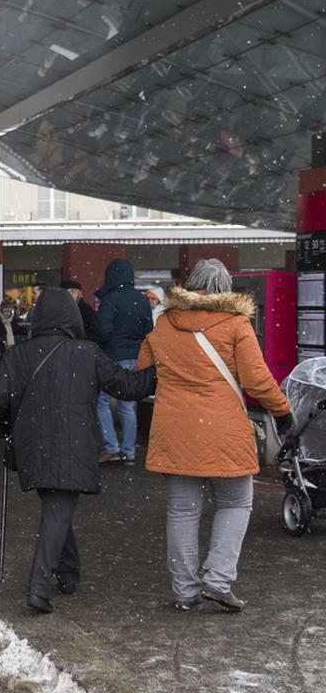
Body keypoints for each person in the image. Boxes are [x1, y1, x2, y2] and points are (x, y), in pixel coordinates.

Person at [0, 288, 156, 614]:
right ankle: (38, 588)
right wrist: (159, 371)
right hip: (72, 444)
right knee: (58, 509)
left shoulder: (17, 354)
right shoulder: (86, 352)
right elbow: (128, 387)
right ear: (72, 317)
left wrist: (4, 428)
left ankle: (68, 572)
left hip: (32, 445)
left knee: (56, 507)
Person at [137, 259, 293, 612]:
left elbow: (143, 369)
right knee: (236, 502)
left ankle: (184, 591)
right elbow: (256, 380)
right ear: (225, 288)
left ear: (191, 285)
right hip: (223, 429)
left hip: (175, 429)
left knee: (181, 512)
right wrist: (282, 410)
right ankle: (218, 581)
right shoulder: (236, 324)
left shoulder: (163, 323)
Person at [93, 259, 154, 464]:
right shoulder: (142, 299)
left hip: (112, 356)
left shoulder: (111, 299)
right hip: (135, 356)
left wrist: (101, 343)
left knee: (101, 402)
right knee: (127, 406)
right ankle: (129, 452)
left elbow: (103, 329)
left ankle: (111, 447)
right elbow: (149, 331)